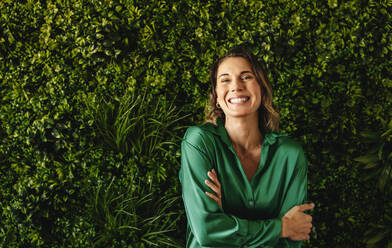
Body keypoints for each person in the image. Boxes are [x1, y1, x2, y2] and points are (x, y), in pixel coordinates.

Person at [179, 47, 314, 248]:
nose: (236, 86)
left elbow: (292, 240)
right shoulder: (199, 142)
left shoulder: (289, 155)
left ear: (261, 87)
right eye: (225, 79)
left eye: (246, 77)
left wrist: (226, 223)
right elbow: (207, 231)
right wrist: (281, 227)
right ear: (216, 96)